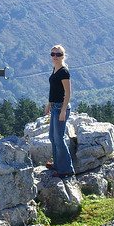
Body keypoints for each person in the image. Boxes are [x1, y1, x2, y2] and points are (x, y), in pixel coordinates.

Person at [45, 45, 75, 178]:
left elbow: (68, 93)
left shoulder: (64, 71)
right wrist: (48, 104)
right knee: (52, 137)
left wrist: (63, 111)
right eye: (53, 54)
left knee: (59, 139)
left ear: (63, 56)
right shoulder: (55, 68)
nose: (55, 57)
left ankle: (66, 169)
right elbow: (54, 91)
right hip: (55, 106)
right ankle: (57, 164)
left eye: (58, 54)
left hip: (61, 108)